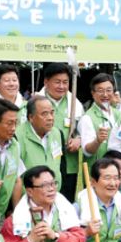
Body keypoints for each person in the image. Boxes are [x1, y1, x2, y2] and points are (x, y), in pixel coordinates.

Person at [37, 62, 84, 201]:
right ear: (46, 82)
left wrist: (78, 140)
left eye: (65, 82)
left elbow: (82, 132)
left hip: (69, 165)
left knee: (65, 202)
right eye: (57, 82)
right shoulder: (36, 102)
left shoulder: (75, 103)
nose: (62, 86)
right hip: (44, 162)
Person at [16, 95, 64, 191]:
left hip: (53, 194)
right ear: (31, 117)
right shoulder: (17, 136)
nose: (50, 118)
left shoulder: (56, 133)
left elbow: (59, 165)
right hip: (29, 198)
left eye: (52, 113)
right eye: (44, 114)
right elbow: (16, 178)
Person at [79, 73, 121, 169]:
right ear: (93, 93)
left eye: (108, 90)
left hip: (117, 172)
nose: (105, 94)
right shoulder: (87, 118)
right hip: (98, 174)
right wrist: (97, 141)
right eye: (100, 91)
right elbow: (87, 152)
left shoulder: (119, 115)